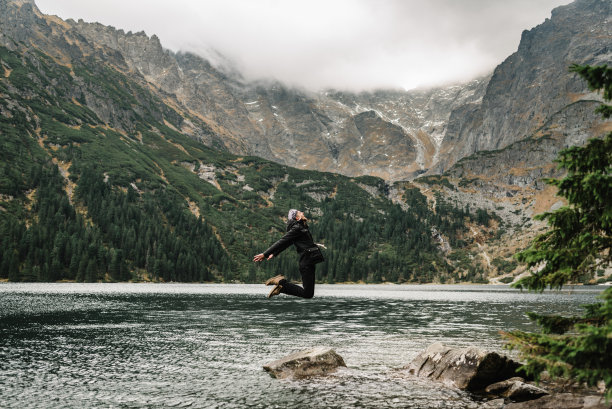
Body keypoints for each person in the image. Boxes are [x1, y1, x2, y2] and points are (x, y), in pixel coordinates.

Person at [253, 209, 321, 299]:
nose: (303, 213)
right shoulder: (297, 228)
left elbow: (288, 243)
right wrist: (265, 254)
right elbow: (282, 241)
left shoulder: (301, 227)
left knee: (308, 294)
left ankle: (282, 287)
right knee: (307, 294)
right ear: (297, 217)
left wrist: (275, 253)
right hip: (307, 261)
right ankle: (281, 284)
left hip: (310, 260)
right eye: (300, 212)